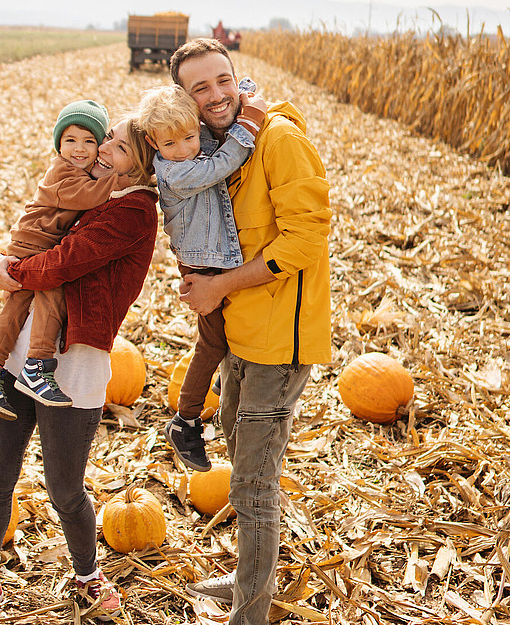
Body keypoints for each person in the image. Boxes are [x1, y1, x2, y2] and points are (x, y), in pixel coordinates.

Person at [0, 117, 159, 625]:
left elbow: (64, 262)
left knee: (65, 489)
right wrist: (5, 261)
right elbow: (35, 230)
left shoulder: (133, 209)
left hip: (75, 363)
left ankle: (87, 575)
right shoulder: (84, 186)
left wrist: (5, 270)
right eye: (106, 139)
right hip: (23, 354)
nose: (103, 147)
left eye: (117, 146)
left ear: (142, 162)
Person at [169, 39, 332, 625]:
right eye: (200, 88)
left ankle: (251, 613)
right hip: (242, 332)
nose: (216, 95)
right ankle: (249, 578)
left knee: (253, 488)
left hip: (280, 343)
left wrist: (220, 286)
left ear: (239, 77)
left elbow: (305, 241)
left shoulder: (279, 142)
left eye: (223, 79)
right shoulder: (218, 149)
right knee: (242, 461)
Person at [0, 100, 133, 419]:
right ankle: (37, 366)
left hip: (34, 240)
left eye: (89, 141)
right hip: (35, 242)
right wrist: (126, 178)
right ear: (58, 144)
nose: (80, 149)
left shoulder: (78, 170)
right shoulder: (64, 171)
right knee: (52, 292)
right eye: (70, 140)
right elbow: (90, 197)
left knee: (15, 306)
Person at [133, 82, 266, 473]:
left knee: (231, 327)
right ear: (153, 143)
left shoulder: (192, 137)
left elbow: (211, 127)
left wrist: (244, 92)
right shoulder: (176, 171)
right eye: (170, 144)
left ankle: (226, 382)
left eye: (190, 137)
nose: (185, 148)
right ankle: (186, 419)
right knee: (209, 343)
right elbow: (220, 165)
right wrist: (250, 123)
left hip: (218, 257)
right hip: (202, 263)